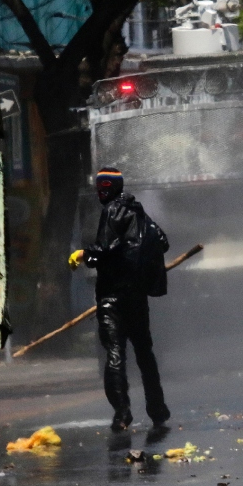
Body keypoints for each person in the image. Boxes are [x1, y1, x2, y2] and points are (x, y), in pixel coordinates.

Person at [68, 167, 171, 431]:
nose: (101, 190)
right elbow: (162, 240)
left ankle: (122, 414)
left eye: (106, 184)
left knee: (115, 353)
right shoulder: (138, 211)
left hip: (112, 297)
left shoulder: (111, 210)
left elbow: (104, 250)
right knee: (144, 353)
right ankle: (157, 409)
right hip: (136, 296)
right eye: (98, 184)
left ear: (116, 186)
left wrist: (83, 254)